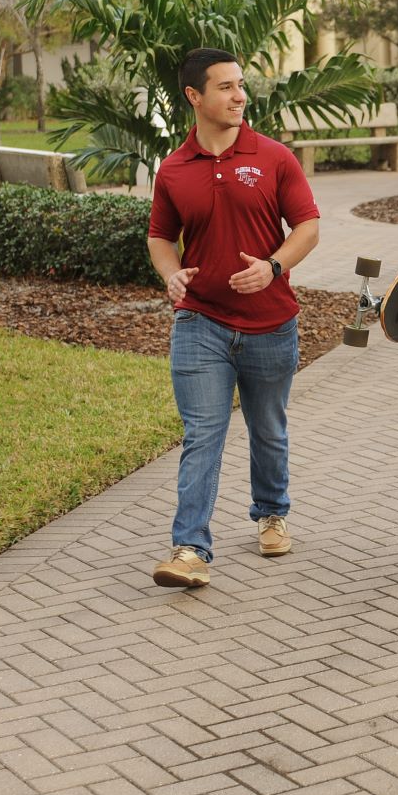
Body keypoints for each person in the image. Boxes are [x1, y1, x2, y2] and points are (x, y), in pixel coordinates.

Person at [149, 48, 320, 590]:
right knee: (203, 433)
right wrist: (171, 274)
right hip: (201, 321)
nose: (239, 95)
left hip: (271, 322)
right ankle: (189, 549)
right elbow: (159, 237)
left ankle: (271, 511)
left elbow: (308, 227)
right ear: (194, 97)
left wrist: (273, 267)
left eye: (240, 85)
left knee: (268, 427)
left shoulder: (273, 157)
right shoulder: (174, 169)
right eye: (225, 87)